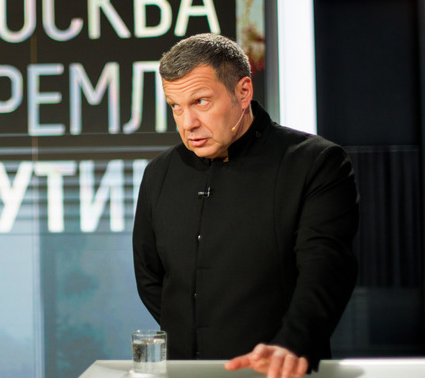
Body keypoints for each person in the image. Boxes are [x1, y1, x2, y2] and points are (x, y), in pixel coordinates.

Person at [132, 33, 358, 378]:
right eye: (176, 106)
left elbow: (326, 268)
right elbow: (151, 278)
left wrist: (293, 342)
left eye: (201, 102)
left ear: (243, 92)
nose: (187, 123)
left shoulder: (315, 163)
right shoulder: (159, 174)